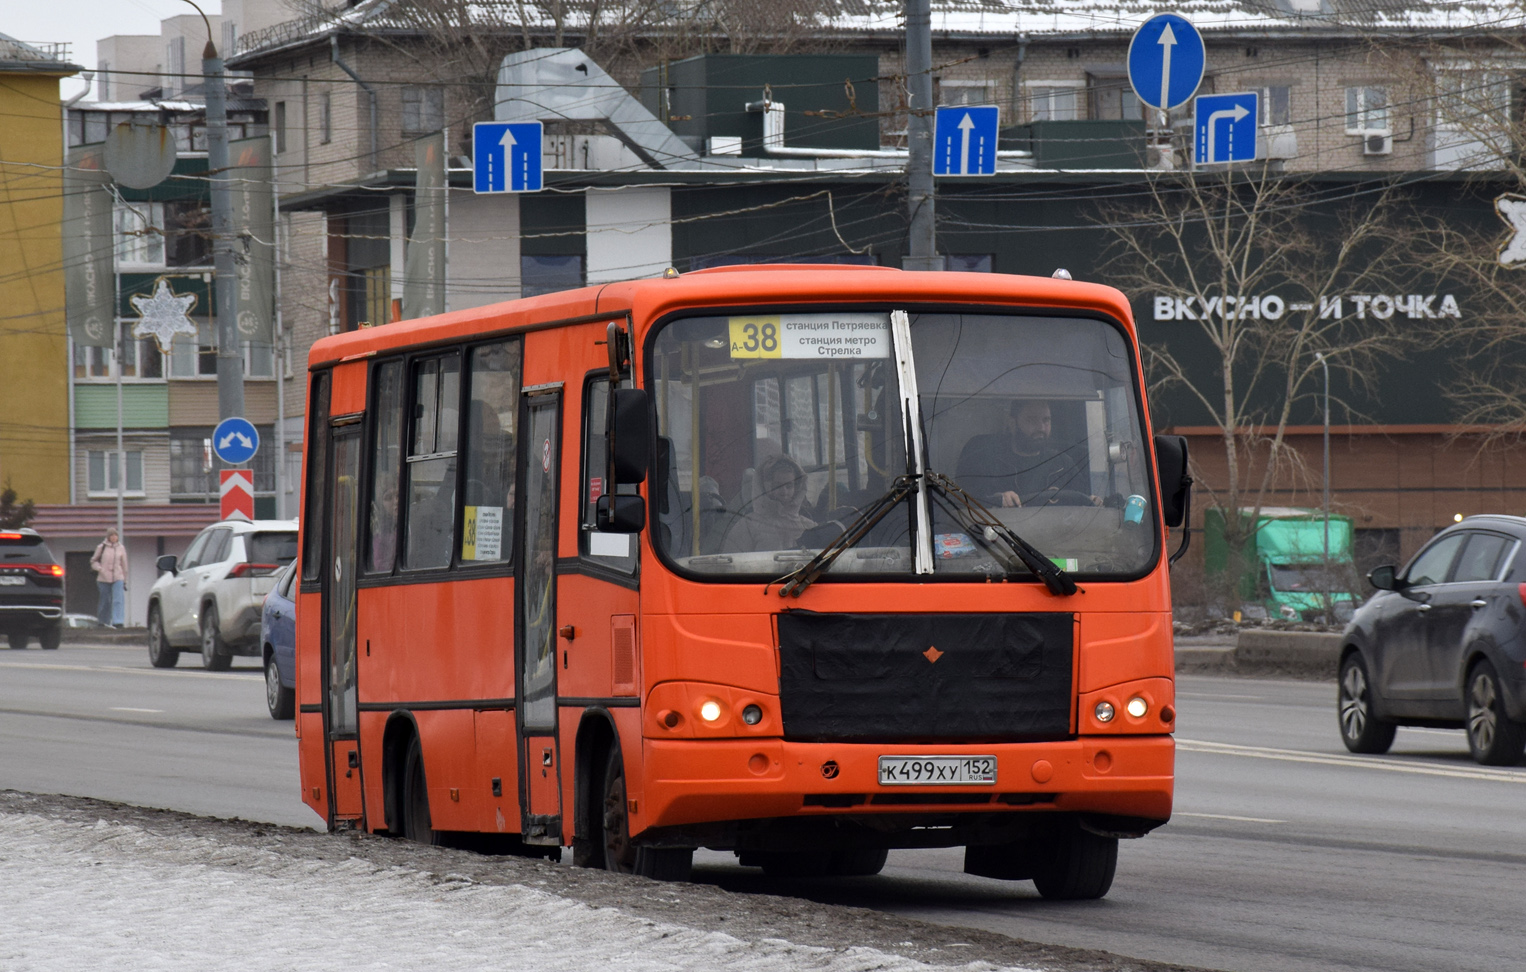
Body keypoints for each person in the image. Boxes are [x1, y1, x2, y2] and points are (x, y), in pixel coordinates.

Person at [955, 399, 1100, 508]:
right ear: (1012, 424)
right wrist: (997, 499)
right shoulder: (989, 463)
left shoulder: (1063, 463)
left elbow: (1083, 500)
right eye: (1032, 420)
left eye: (1046, 420)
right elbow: (965, 503)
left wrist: (1093, 501)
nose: (1041, 427)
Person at [722, 453, 817, 552]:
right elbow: (733, 564)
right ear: (765, 487)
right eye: (778, 486)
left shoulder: (809, 526)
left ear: (797, 488)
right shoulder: (747, 526)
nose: (784, 492)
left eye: (789, 486)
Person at [91, 529, 128, 627]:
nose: (114, 537)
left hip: (118, 577)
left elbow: (124, 565)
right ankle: (103, 621)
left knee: (118, 600)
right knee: (105, 600)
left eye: (115, 535)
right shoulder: (101, 547)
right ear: (108, 537)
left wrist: (125, 579)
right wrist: (100, 569)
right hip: (103, 578)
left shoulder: (121, 548)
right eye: (112, 535)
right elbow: (93, 561)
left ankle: (118, 621)